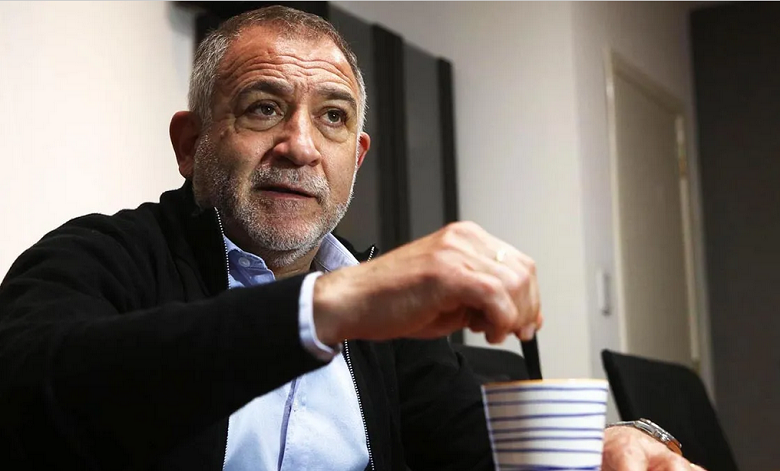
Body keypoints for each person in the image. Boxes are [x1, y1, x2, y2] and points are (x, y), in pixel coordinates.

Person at [0, 6, 703, 471]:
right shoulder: (100, 257)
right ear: (190, 144)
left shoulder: (387, 323)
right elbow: (33, 393)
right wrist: (329, 307)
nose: (301, 146)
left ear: (357, 159)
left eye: (332, 117)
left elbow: (467, 446)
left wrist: (611, 444)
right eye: (263, 108)